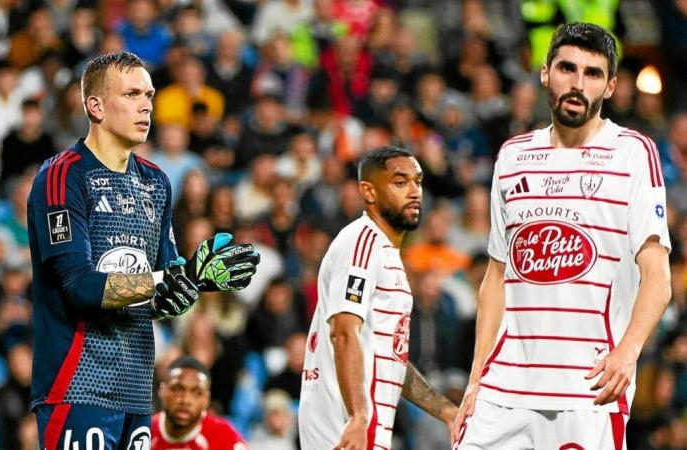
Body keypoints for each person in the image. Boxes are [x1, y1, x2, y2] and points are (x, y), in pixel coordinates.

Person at [452, 23, 672, 449]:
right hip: (502, 392)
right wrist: (475, 379)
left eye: (592, 74)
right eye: (567, 68)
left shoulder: (633, 153)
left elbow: (658, 277)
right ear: (545, 73)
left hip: (586, 395)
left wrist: (627, 353)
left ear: (609, 86)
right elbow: (496, 278)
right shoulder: (513, 156)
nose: (577, 83)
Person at [26, 51, 259, 449]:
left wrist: (193, 284)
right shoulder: (62, 174)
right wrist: (171, 279)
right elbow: (79, 285)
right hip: (77, 382)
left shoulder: (156, 182)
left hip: (136, 386)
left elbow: (164, 298)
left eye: (149, 95)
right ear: (95, 106)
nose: (147, 105)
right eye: (132, 93)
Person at [298, 146, 458, 449]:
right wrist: (358, 416)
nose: (414, 192)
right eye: (400, 182)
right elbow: (343, 333)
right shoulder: (362, 243)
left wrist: (446, 411)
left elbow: (391, 358)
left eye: (418, 181)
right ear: (368, 192)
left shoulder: (386, 254)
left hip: (365, 425)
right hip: (347, 426)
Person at [152, 356, 248, 450]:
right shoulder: (144, 430)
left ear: (207, 399)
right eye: (177, 389)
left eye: (197, 393)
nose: (186, 400)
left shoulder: (225, 438)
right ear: (162, 390)